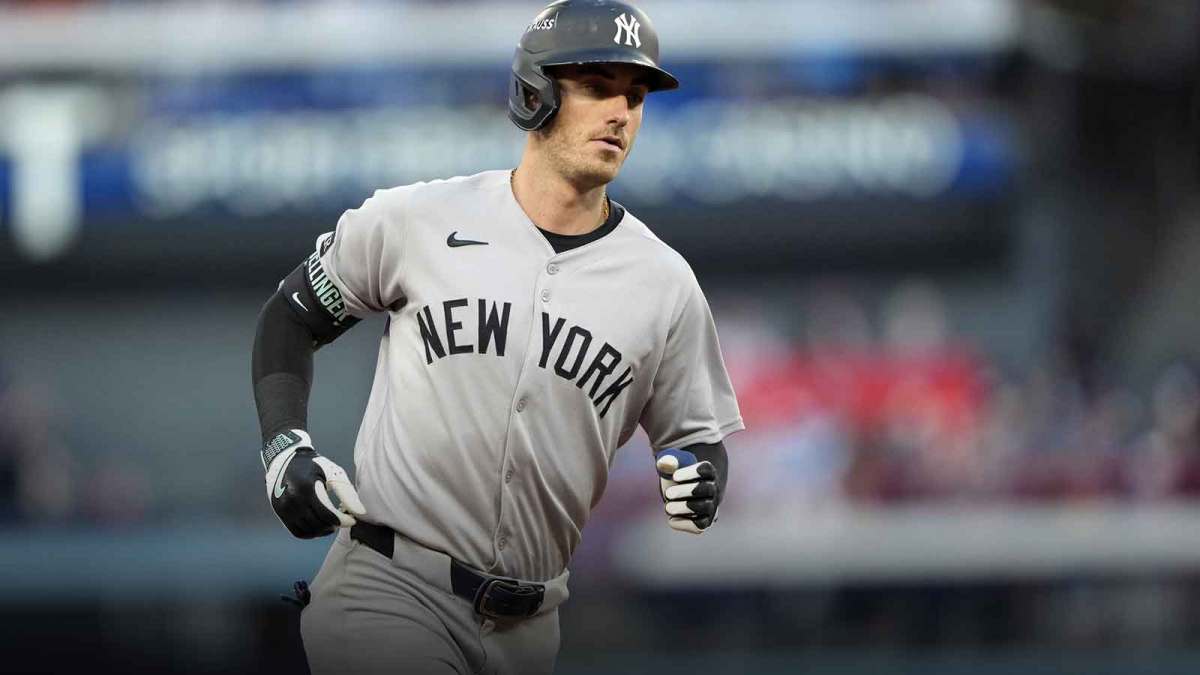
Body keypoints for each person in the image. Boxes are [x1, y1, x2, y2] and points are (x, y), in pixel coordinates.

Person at [250, 1, 743, 673]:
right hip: (390, 587)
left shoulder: (664, 282)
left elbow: (696, 436)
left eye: (634, 95)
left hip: (530, 628)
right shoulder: (416, 220)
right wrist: (285, 447)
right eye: (597, 87)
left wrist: (702, 476)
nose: (620, 112)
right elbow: (290, 317)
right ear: (535, 91)